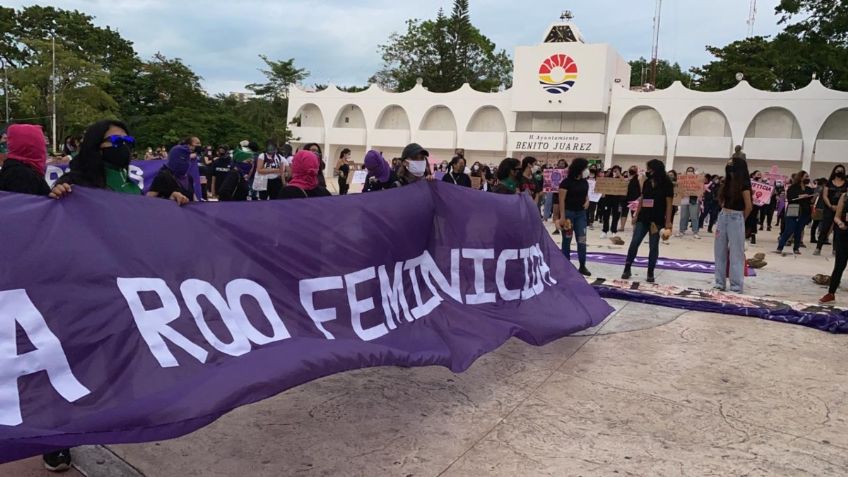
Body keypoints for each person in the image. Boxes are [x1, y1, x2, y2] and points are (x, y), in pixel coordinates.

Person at [622, 159, 674, 283]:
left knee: (653, 246)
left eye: (650, 168)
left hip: (657, 220)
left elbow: (669, 204)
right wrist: (636, 214)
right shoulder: (646, 182)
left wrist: (668, 221)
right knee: (635, 242)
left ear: (656, 169)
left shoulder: (667, 183)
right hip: (643, 217)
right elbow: (642, 198)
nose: (648, 171)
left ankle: (650, 271)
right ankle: (627, 267)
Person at [714, 157, 752, 292]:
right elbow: (722, 201)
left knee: (736, 253)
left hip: (736, 217)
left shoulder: (744, 185)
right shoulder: (727, 183)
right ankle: (719, 282)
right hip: (723, 215)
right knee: (719, 251)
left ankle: (736, 286)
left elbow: (748, 206)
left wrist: (741, 219)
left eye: (732, 165)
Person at [557, 157, 592, 276]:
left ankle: (582, 265)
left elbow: (586, 195)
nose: (587, 170)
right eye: (585, 168)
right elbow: (561, 200)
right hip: (568, 215)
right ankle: (565, 266)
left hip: (581, 214)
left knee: (582, 240)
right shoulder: (566, 182)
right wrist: (562, 216)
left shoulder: (584, 182)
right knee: (567, 240)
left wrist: (587, 201)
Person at [776, 171, 814, 255]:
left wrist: (813, 198)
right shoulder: (792, 188)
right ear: (800, 178)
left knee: (799, 230)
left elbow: (811, 200)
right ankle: (780, 247)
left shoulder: (809, 189)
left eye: (808, 177)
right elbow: (790, 198)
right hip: (793, 209)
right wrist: (801, 196)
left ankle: (796, 248)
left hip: (804, 211)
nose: (808, 178)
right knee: (789, 229)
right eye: (806, 176)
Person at [820, 192, 848, 303]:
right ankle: (831, 293)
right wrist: (840, 223)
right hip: (844, 234)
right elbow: (836, 216)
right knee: (839, 266)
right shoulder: (845, 196)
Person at [815, 165, 847, 255]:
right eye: (838, 170)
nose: (839, 172)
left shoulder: (846, 183)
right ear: (834, 171)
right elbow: (825, 196)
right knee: (825, 228)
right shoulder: (829, 183)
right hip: (829, 208)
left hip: (841, 210)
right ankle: (818, 248)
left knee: (838, 230)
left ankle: (835, 249)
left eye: (841, 170)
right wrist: (830, 206)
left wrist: (839, 206)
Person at [676, 166, 702, 239]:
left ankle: (695, 232)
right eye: (688, 170)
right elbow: (678, 189)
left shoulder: (697, 180)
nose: (690, 172)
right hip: (684, 200)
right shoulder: (682, 180)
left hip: (693, 200)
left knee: (694, 217)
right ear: (686, 171)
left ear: (693, 172)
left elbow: (700, 190)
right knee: (683, 216)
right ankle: (682, 230)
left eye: (691, 171)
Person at [599, 166, 624, 239]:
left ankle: (614, 231)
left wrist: (619, 174)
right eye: (614, 170)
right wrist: (609, 173)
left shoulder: (620, 178)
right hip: (608, 199)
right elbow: (602, 183)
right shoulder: (608, 178)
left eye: (617, 170)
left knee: (616, 216)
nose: (615, 172)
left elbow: (625, 183)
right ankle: (605, 231)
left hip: (618, 200)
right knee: (606, 215)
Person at [622, 165, 641, 232]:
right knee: (624, 213)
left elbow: (640, 188)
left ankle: (634, 229)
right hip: (625, 198)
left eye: (634, 169)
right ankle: (622, 227)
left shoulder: (638, 178)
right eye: (631, 169)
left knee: (634, 214)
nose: (632, 170)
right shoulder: (626, 177)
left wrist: (639, 197)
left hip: (634, 198)